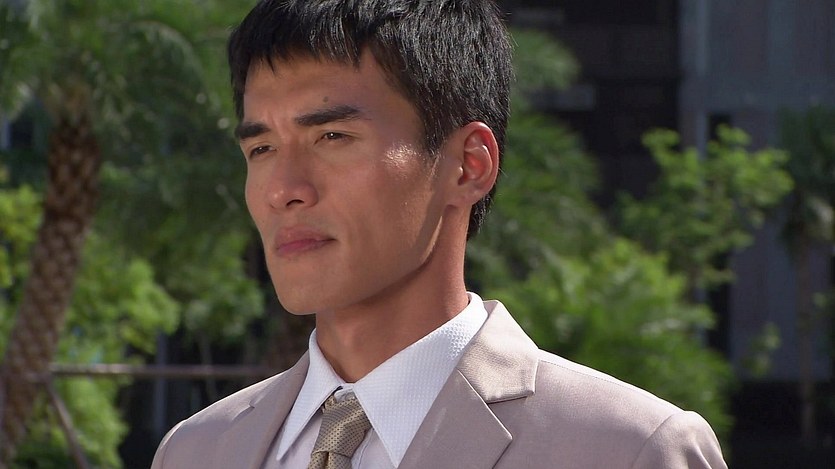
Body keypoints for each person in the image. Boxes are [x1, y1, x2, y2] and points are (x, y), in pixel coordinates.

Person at [151, 0, 728, 468]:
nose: (283, 189)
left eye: (332, 138)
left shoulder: (627, 450)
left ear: (468, 165)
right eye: (261, 148)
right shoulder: (195, 451)